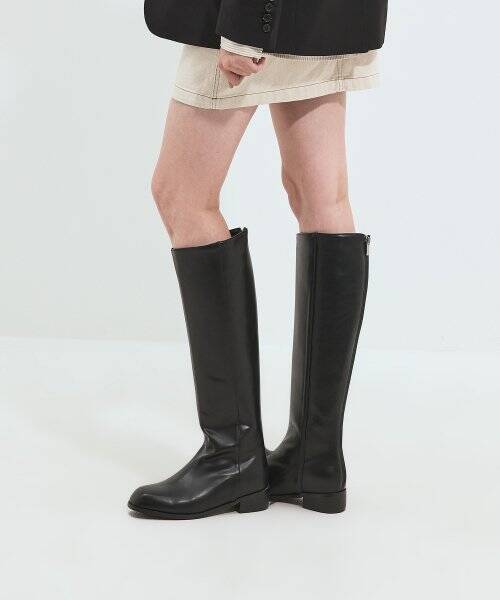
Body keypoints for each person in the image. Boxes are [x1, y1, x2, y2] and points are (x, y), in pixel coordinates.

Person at [128, 0, 388, 519]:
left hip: (252, 19)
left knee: (182, 195)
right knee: (320, 197)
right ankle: (313, 461)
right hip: (324, 17)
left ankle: (232, 460)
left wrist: (248, 25)